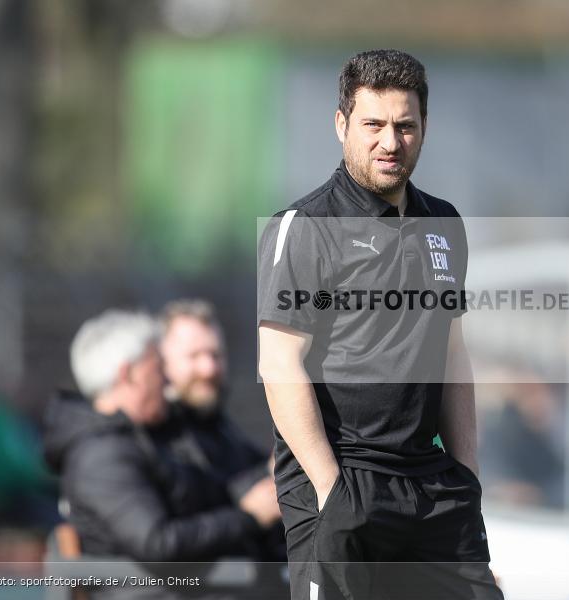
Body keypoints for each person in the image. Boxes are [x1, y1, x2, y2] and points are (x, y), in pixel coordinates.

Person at [257, 49, 503, 600]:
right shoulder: (305, 226)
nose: (390, 142)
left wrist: (466, 476)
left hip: (433, 487)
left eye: (405, 126)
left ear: (424, 128)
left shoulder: (443, 222)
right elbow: (279, 363)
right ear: (341, 124)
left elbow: (452, 354)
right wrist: (331, 489)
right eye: (373, 125)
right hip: (344, 480)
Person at [43, 310, 280, 598]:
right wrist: (249, 517)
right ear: (128, 374)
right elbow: (158, 544)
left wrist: (267, 475)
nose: (167, 380)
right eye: (157, 367)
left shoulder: (148, 435)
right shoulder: (101, 455)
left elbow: (215, 490)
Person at [159, 298, 286, 560]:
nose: (209, 369)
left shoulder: (222, 430)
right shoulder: (152, 438)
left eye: (215, 355)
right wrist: (249, 514)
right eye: (194, 356)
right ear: (161, 362)